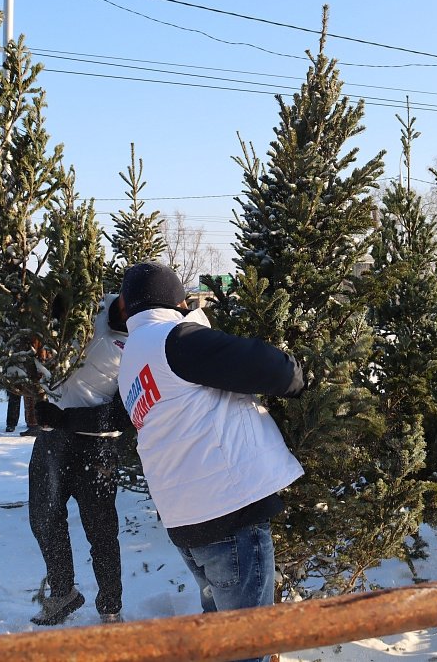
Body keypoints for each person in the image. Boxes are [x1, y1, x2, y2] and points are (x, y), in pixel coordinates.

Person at [117, 262, 305, 662]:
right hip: (228, 512)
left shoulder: (133, 360)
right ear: (176, 301)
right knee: (246, 644)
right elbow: (273, 369)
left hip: (187, 521)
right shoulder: (176, 340)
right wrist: (303, 375)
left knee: (220, 637)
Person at [26, 293, 130, 626]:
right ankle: (63, 592)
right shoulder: (96, 303)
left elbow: (121, 416)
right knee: (44, 516)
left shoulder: (142, 343)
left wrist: (65, 418)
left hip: (96, 447)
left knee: (100, 530)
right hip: (52, 439)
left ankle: (110, 608)